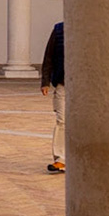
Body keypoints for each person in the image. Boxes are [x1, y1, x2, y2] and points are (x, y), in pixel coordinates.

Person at [39, 20, 64, 172]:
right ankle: (60, 159)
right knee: (62, 121)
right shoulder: (59, 29)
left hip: (85, 88)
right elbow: (49, 56)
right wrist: (45, 81)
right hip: (63, 83)